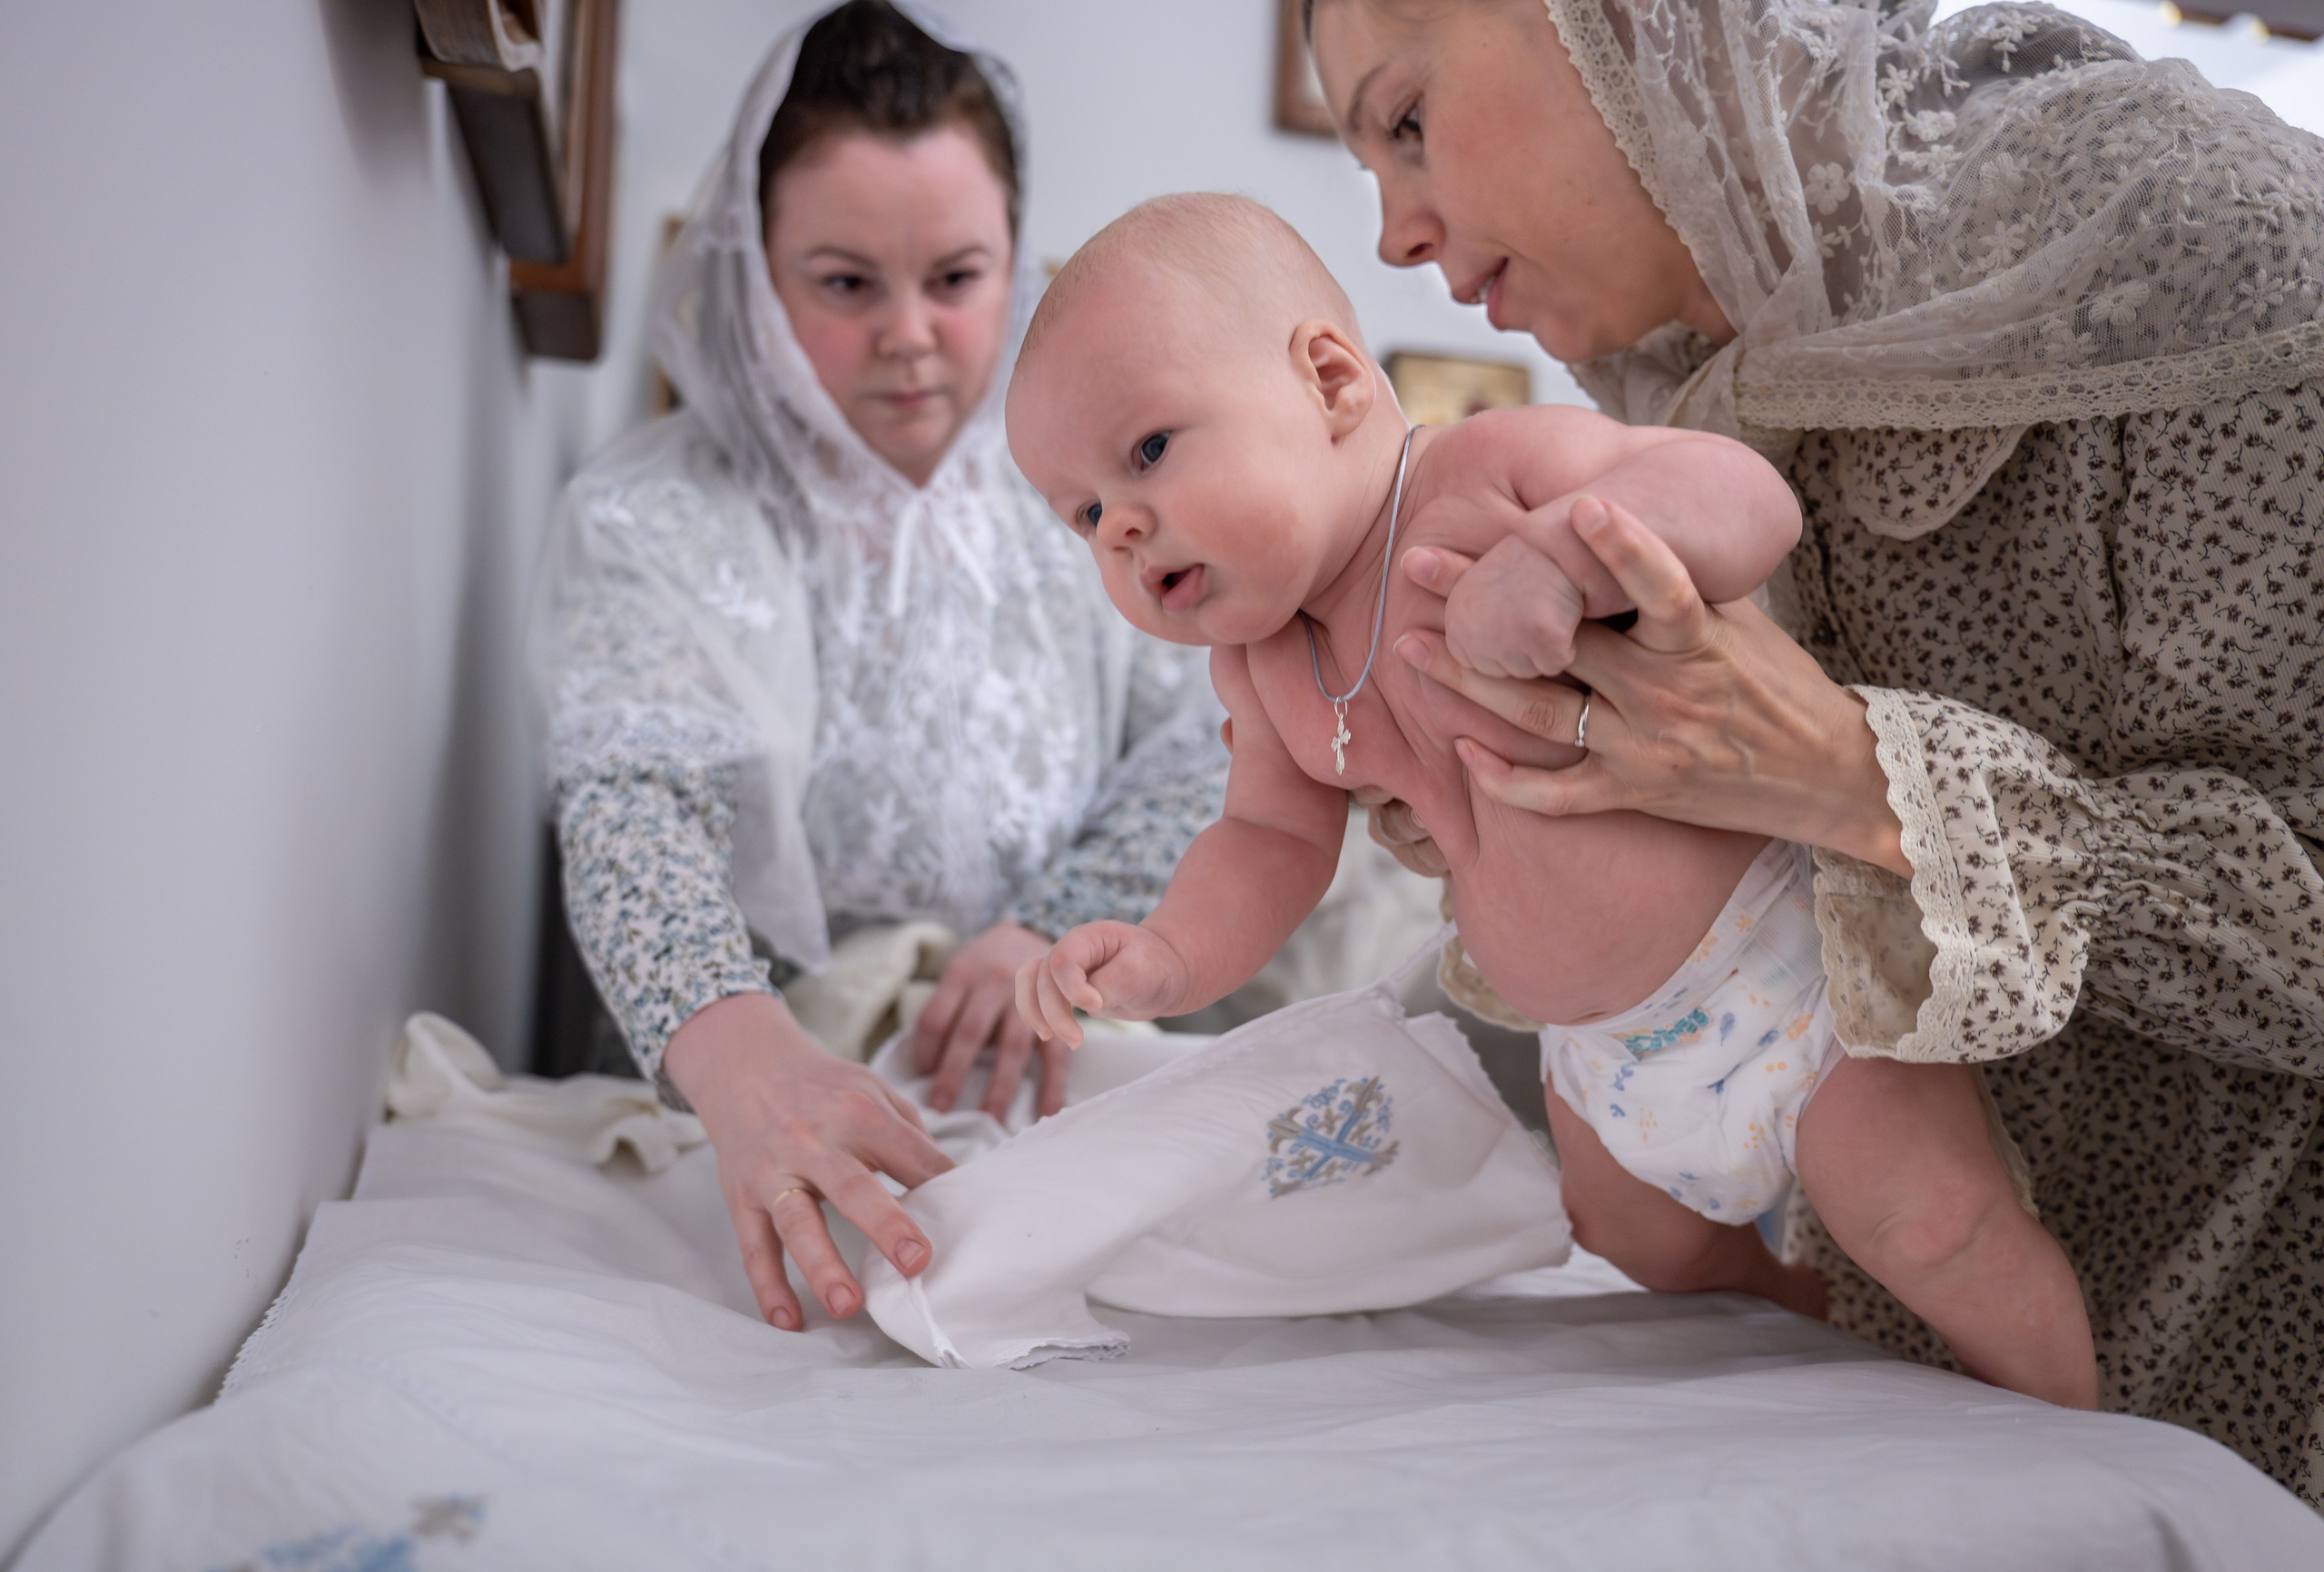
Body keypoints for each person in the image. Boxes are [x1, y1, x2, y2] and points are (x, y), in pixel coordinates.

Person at [1308, 0, 2324, 1498]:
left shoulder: (2203, 249)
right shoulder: (1680, 392)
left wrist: (1856, 777)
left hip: (2250, 1389)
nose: (1395, 235)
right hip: (1897, 1389)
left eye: (1407, 123)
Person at [1007, 192, 2095, 1407]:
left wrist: (1561, 559)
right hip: (1599, 1055)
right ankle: (1819, 1329)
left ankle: (2089, 1452)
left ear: (1328, 380)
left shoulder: (1484, 472)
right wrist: (1167, 957)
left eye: (1149, 451)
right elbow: (1265, 841)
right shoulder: (1260, 671)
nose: (1121, 526)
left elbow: (1744, 497)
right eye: (1082, 512)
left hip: (1785, 974)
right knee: (1646, 1251)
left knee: (1937, 1227)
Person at [531, 1, 1227, 1334]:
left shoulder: (1103, 507)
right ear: (757, 274)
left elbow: (1213, 746)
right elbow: (634, 805)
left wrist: (1060, 925)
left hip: (1049, 1070)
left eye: (955, 278)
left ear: (1017, 262)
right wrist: (737, 1050)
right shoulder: (651, 522)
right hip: (756, 1097)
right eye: (847, 284)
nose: (909, 334)